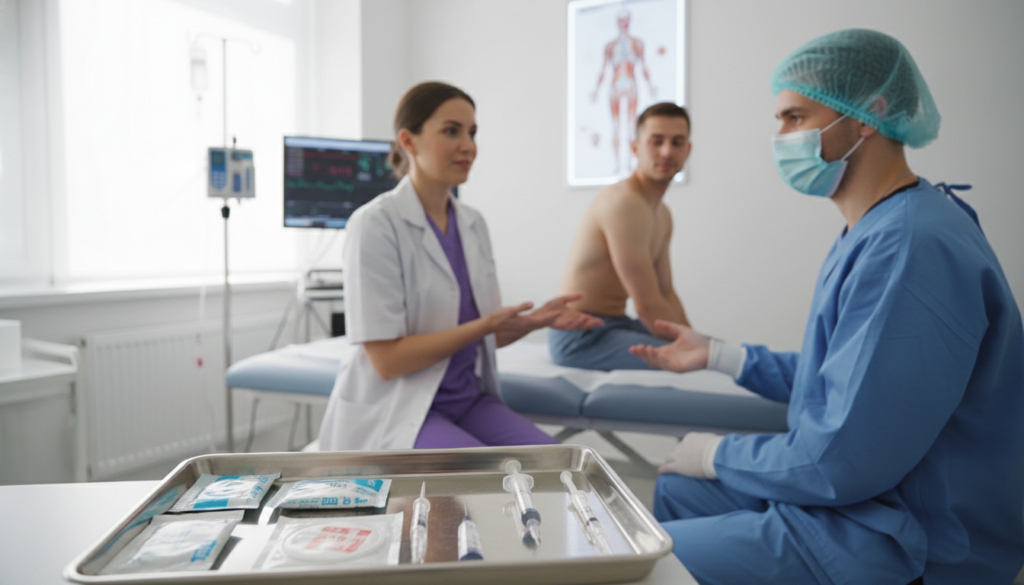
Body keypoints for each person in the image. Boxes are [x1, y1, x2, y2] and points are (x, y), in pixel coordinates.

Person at [630, 29, 1024, 584]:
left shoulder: (909, 246)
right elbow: (843, 380)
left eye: (795, 118)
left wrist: (720, 453)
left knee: (644, 566)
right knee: (677, 487)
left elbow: (838, 462)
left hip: (903, 537)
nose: (780, 137)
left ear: (868, 114)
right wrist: (720, 355)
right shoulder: (879, 226)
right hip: (868, 497)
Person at [318, 82, 601, 452]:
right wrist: (486, 325)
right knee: (500, 491)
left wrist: (535, 321)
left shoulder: (473, 223)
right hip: (399, 408)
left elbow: (483, 337)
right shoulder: (375, 224)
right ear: (409, 141)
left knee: (564, 468)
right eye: (451, 131)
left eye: (472, 132)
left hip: (468, 401)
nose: (468, 145)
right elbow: (386, 361)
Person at [550, 102, 692, 371]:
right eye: (656, 141)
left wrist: (697, 339)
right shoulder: (624, 203)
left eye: (677, 142)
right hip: (581, 337)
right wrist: (699, 350)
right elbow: (648, 306)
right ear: (635, 147)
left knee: (711, 352)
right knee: (695, 359)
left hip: (615, 324)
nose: (666, 151)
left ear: (688, 149)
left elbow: (666, 293)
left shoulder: (662, 214)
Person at [591, 10, 656, 173]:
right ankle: (616, 165)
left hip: (631, 84)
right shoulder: (610, 46)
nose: (624, 24)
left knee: (632, 125)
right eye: (621, 21)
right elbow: (603, 70)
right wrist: (596, 91)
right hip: (616, 85)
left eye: (626, 21)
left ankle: (630, 165)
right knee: (616, 125)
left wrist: (650, 86)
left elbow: (644, 67)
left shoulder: (637, 43)